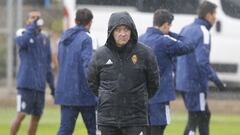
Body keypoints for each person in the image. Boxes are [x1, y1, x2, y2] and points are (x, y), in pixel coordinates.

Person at [88, 11, 160, 135]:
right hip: (107, 120)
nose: (123, 34)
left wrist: (138, 99)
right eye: (118, 30)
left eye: (126, 29)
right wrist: (107, 97)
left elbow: (153, 83)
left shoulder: (145, 53)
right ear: (111, 32)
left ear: (132, 30)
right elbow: (93, 83)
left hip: (136, 120)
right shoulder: (100, 55)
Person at [138, 9, 195, 135]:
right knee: (158, 128)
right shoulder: (165, 41)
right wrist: (171, 34)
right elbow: (190, 45)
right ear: (166, 25)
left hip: (141, 96)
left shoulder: (139, 39)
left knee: (145, 130)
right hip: (160, 95)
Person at [176, 1, 225, 135]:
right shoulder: (203, 31)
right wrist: (217, 81)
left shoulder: (186, 28)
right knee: (196, 119)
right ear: (208, 15)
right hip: (195, 84)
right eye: (214, 13)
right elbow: (202, 62)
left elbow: (177, 55)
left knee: (202, 116)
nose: (215, 17)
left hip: (183, 82)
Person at [10, 11, 55, 135]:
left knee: (36, 118)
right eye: (32, 17)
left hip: (39, 86)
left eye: (38, 18)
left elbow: (48, 64)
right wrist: (32, 28)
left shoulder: (45, 38)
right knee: (21, 114)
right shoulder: (23, 33)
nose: (36, 19)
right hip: (26, 84)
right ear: (27, 20)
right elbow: (21, 42)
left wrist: (52, 86)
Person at [55, 8, 97, 135]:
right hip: (84, 93)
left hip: (66, 92)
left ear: (75, 20)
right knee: (94, 130)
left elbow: (59, 60)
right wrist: (96, 89)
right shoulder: (87, 38)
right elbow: (87, 66)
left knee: (65, 130)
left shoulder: (63, 38)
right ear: (90, 22)